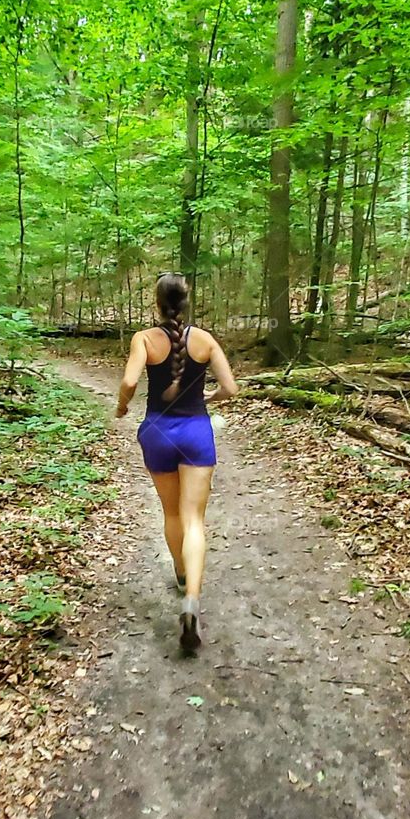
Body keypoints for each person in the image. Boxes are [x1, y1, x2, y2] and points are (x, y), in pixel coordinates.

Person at [115, 272, 238, 654]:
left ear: (157, 303)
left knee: (170, 514)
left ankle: (182, 576)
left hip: (157, 432)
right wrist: (207, 401)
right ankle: (191, 602)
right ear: (186, 302)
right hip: (196, 432)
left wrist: (122, 406)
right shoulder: (204, 340)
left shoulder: (144, 340)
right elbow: (231, 389)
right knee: (194, 520)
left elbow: (130, 382)